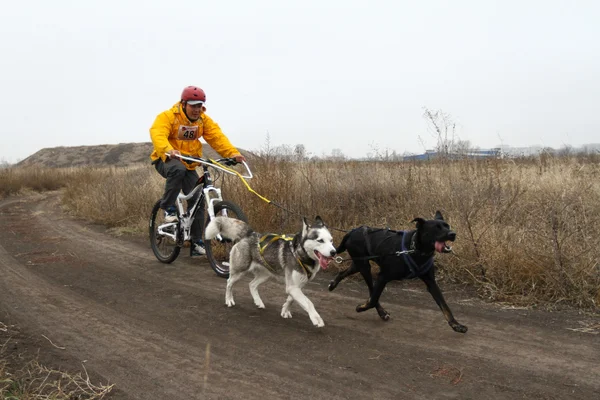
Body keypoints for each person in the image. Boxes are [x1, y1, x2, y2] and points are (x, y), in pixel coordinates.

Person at [149, 86, 246, 256]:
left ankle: (196, 242)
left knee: (198, 199)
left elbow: (217, 137)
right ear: (184, 104)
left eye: (199, 105)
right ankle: (169, 208)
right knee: (177, 169)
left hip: (190, 162)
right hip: (166, 159)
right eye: (193, 105)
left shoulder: (202, 121)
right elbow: (158, 133)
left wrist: (233, 154)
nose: (196, 109)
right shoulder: (169, 116)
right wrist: (168, 149)